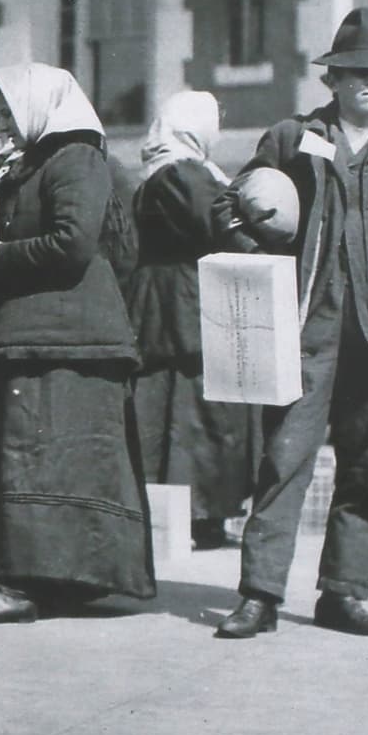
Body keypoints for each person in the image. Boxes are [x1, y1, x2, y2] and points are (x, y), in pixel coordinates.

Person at [212, 8, 368, 640]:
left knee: (367, 468)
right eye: (357, 73)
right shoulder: (294, 138)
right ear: (335, 80)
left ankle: (343, 592)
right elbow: (229, 204)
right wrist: (255, 245)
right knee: (284, 459)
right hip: (306, 331)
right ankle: (260, 596)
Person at [0, 66, 154, 624]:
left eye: (5, 115)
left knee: (40, 460)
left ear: (35, 109)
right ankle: (44, 581)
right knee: (41, 459)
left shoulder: (76, 158)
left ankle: (22, 585)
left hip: (68, 337)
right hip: (43, 336)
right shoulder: (30, 164)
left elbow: (73, 243)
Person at [125, 90, 253, 551]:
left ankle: (188, 514)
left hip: (165, 302)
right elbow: (219, 223)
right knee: (196, 413)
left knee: (179, 412)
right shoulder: (184, 173)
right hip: (185, 303)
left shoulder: (163, 169)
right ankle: (199, 515)